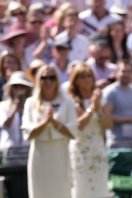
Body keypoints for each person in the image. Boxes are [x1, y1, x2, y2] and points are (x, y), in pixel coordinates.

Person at [21, 65, 76, 198]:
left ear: (57, 80)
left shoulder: (67, 101)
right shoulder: (30, 103)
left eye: (52, 78)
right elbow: (28, 133)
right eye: (44, 78)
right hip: (40, 153)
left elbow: (73, 131)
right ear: (38, 80)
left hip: (60, 153)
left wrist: (55, 123)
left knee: (62, 191)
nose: (48, 81)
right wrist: (45, 122)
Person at [67, 62, 113, 198]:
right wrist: (92, 107)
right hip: (80, 149)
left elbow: (109, 125)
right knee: (81, 186)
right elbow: (79, 125)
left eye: (89, 76)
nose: (87, 80)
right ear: (75, 80)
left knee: (99, 186)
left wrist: (99, 109)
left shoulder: (101, 99)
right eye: (82, 77)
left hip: (97, 147)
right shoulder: (72, 101)